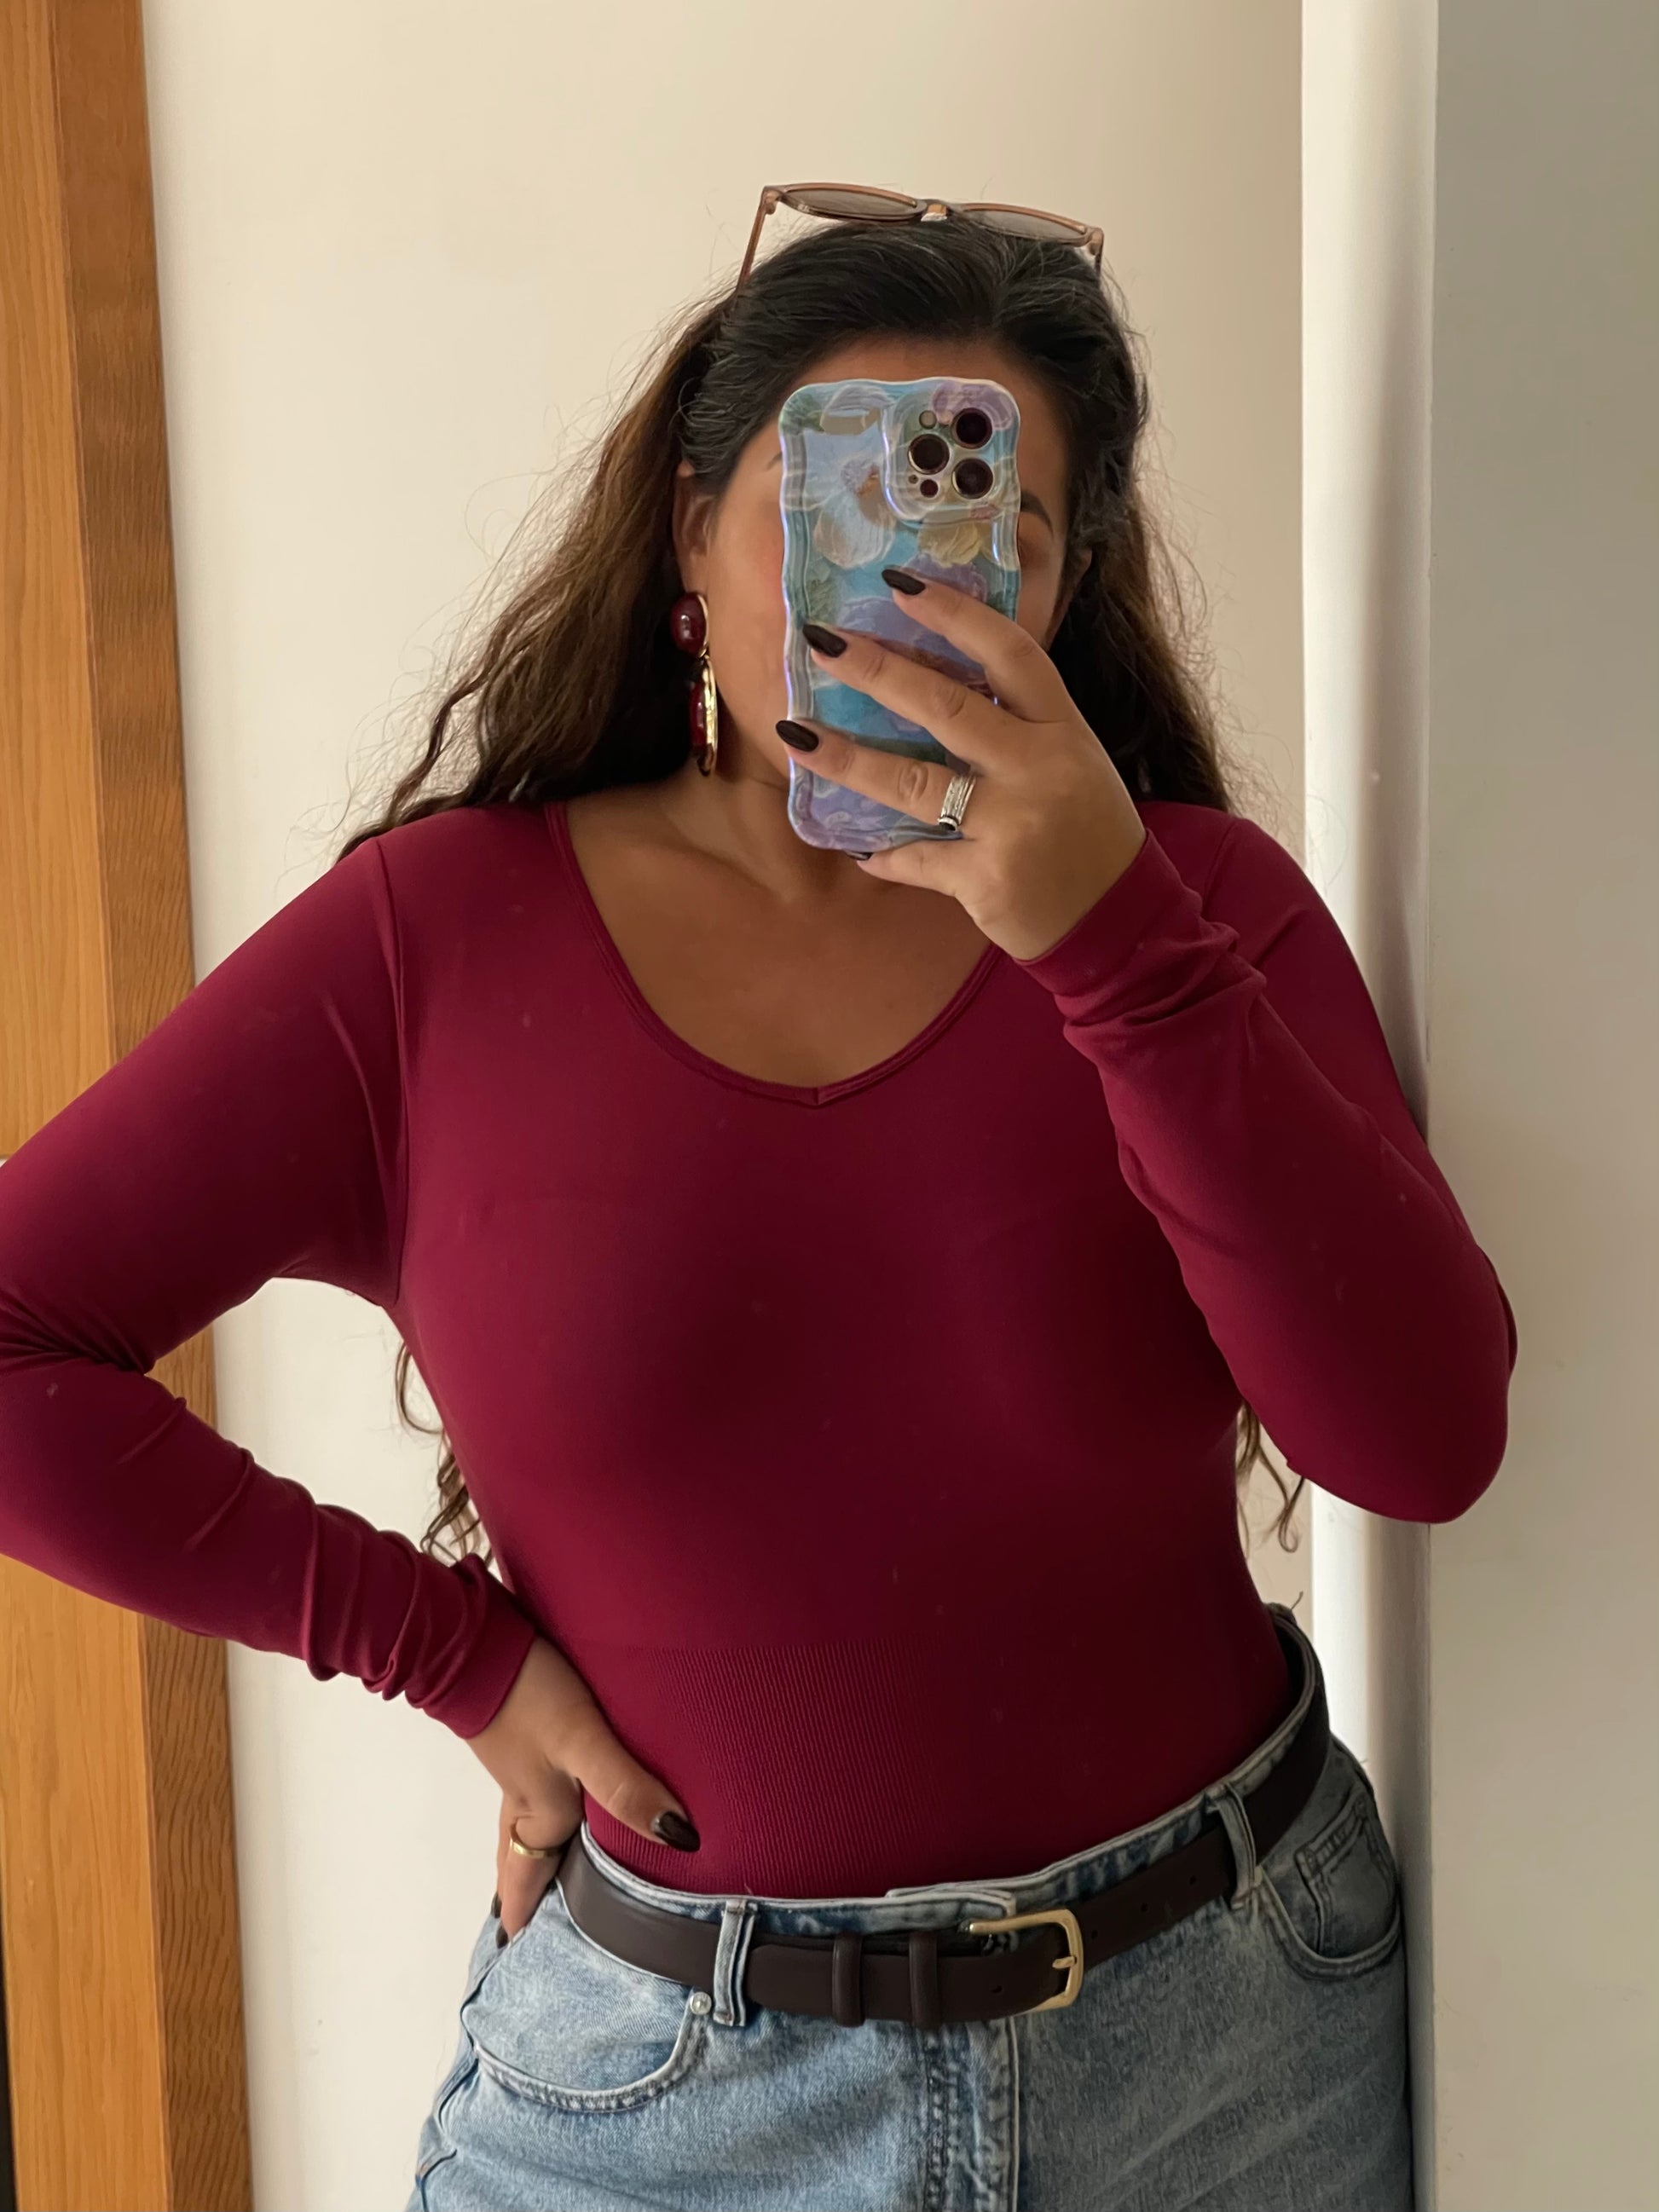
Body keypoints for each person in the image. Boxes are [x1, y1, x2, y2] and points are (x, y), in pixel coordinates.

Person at [0, 198, 1517, 2212]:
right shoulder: (432, 947)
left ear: (1059, 591)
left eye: (984, 526)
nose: (898, 582)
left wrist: (1116, 951)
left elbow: (1420, 1442)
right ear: (691, 545)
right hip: (663, 2103)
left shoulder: (1199, 916)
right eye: (833, 503)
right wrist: (442, 1650)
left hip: (1223, 2055)